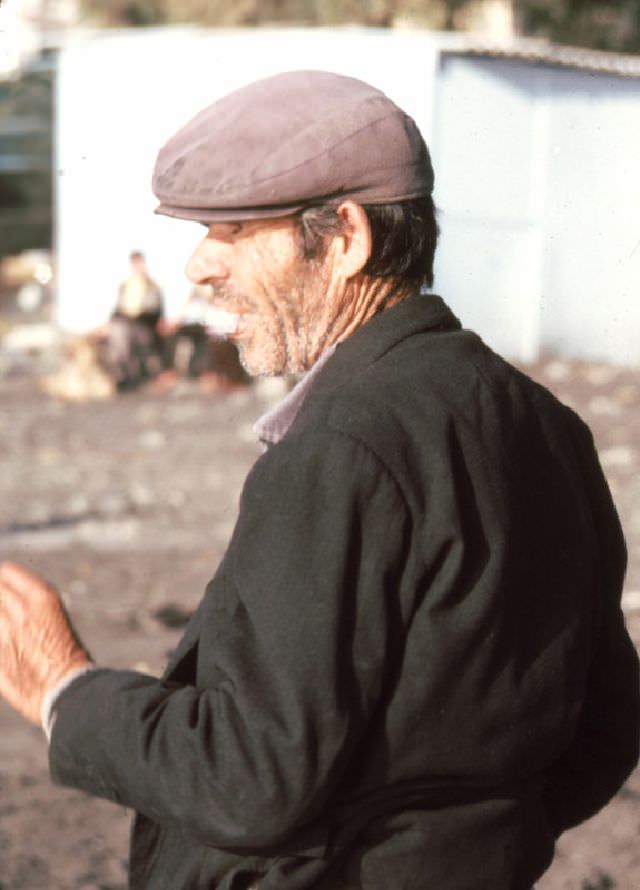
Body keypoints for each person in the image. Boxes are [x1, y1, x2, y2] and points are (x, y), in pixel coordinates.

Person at [0, 70, 638, 890]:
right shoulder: (544, 423)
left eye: (232, 229)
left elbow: (248, 780)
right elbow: (607, 726)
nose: (197, 267)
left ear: (345, 239)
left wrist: (65, 692)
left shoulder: (341, 448)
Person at [106, 250, 164, 390]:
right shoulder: (126, 284)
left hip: (144, 321)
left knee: (140, 346)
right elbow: (118, 305)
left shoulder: (151, 285)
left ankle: (138, 378)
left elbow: (157, 307)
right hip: (124, 319)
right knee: (120, 345)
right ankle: (124, 377)